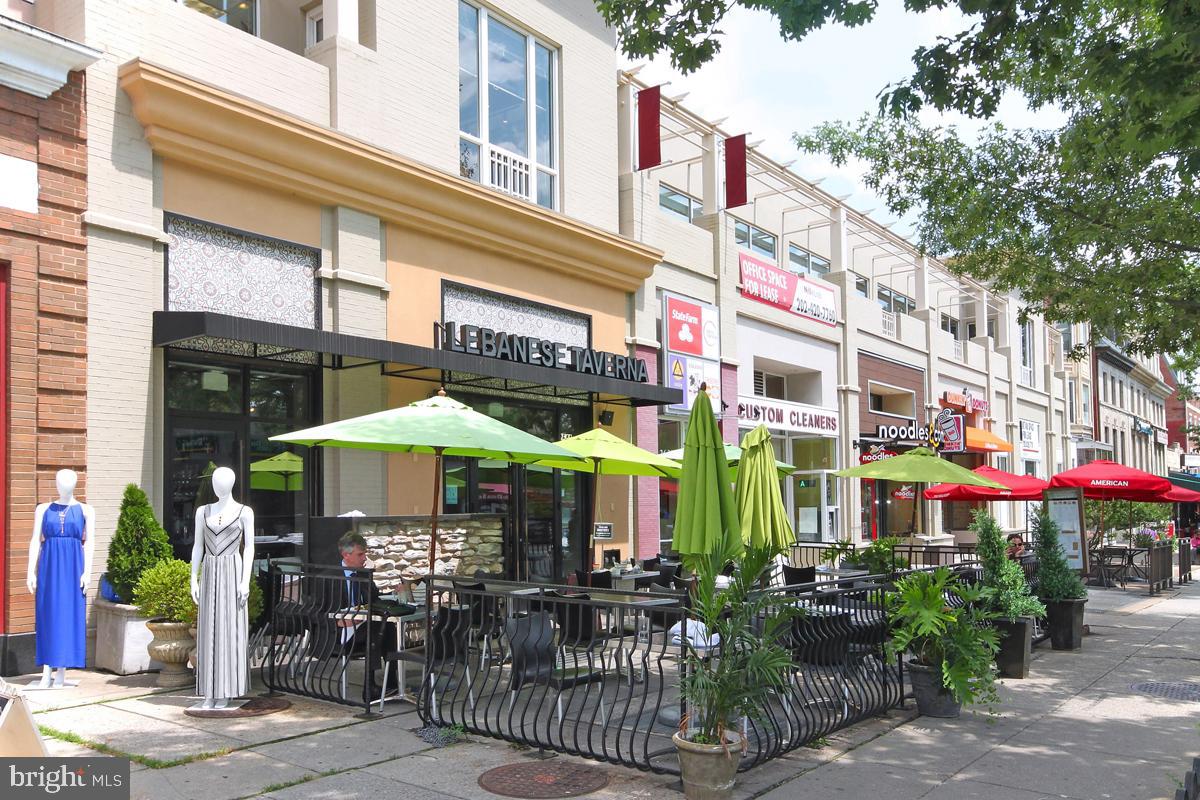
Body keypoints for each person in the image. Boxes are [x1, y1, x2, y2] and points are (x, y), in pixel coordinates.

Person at [325, 531, 398, 702]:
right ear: (346, 555)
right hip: (340, 630)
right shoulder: (328, 575)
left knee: (388, 627)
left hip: (363, 624)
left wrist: (393, 594)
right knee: (375, 630)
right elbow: (315, 609)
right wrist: (339, 621)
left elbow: (375, 599)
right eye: (360, 554)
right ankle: (370, 685)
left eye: (365, 553)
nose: (364, 558)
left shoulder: (364, 574)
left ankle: (391, 679)